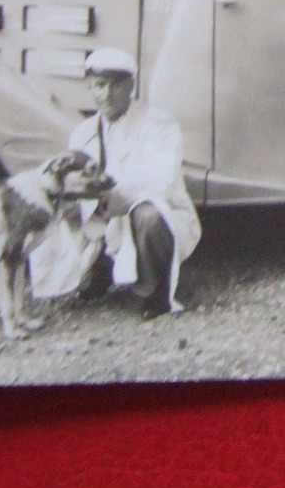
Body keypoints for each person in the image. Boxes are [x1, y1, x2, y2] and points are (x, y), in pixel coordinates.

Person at [70, 48, 201, 319]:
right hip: (103, 217)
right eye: (99, 86)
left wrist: (108, 197)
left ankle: (154, 294)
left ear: (131, 85)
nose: (106, 95)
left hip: (153, 211)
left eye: (116, 86)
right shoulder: (82, 134)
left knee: (149, 215)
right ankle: (97, 271)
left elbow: (159, 180)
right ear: (90, 88)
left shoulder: (159, 125)